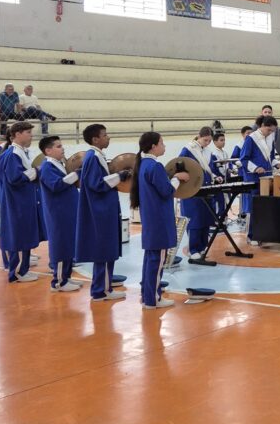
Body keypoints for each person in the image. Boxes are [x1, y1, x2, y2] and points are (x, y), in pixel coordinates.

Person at [130, 132, 190, 310]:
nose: (164, 146)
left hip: (151, 218)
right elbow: (166, 191)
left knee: (151, 258)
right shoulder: (154, 166)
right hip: (159, 218)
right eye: (162, 143)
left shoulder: (143, 164)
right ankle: (152, 299)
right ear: (153, 146)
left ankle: (146, 295)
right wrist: (178, 178)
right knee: (157, 260)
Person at [75, 123, 130, 302]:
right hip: (101, 210)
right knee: (104, 250)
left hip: (105, 208)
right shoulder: (92, 157)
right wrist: (119, 176)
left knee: (106, 250)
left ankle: (103, 287)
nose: (108, 137)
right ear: (95, 139)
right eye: (105, 135)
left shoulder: (97, 156)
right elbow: (96, 184)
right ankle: (101, 290)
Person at [0, 121, 42, 283]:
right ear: (17, 134)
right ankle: (17, 272)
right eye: (28, 132)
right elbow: (15, 179)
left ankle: (22, 270)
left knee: (23, 234)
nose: (31, 135)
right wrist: (35, 172)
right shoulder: (12, 154)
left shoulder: (20, 153)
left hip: (23, 200)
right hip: (18, 202)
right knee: (19, 235)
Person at [37, 134, 81, 292]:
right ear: (48, 151)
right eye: (58, 146)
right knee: (61, 244)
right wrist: (76, 174)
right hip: (58, 212)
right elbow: (56, 185)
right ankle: (58, 281)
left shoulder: (59, 164)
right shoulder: (47, 167)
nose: (62, 148)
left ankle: (66, 277)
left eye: (62, 145)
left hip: (67, 211)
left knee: (69, 243)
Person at [240, 116, 280, 241]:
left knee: (266, 206)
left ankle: (265, 233)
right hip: (254, 179)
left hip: (267, 178)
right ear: (262, 125)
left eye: (272, 131)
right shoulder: (251, 139)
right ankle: (252, 236)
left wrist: (276, 163)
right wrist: (256, 168)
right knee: (255, 208)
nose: (270, 133)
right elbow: (244, 159)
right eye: (269, 130)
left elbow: (271, 157)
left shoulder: (270, 138)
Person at [179, 126, 215, 261]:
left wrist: (215, 176)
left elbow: (211, 169)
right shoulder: (188, 149)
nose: (207, 143)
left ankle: (202, 246)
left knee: (206, 219)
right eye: (205, 140)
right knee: (195, 220)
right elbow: (180, 166)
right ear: (199, 136)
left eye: (209, 141)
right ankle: (193, 249)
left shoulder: (208, 152)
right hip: (192, 190)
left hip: (206, 189)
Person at [232, 125, 253, 228]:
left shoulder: (253, 144)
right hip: (243, 174)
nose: (249, 135)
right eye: (247, 133)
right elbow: (233, 158)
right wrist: (239, 163)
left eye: (251, 133)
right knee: (244, 195)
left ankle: (247, 214)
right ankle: (243, 213)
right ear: (243, 134)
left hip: (251, 173)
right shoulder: (239, 145)